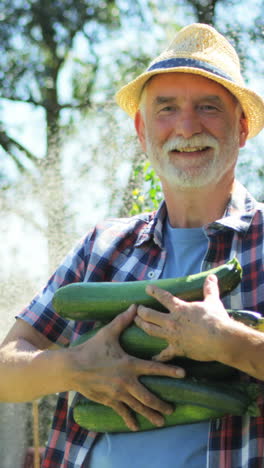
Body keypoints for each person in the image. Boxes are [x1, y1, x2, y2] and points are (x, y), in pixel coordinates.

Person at [1, 22, 264, 468]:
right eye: (166, 108)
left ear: (240, 128)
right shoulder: (103, 246)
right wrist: (75, 366)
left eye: (208, 107)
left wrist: (227, 342)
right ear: (142, 131)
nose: (186, 126)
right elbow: (6, 370)